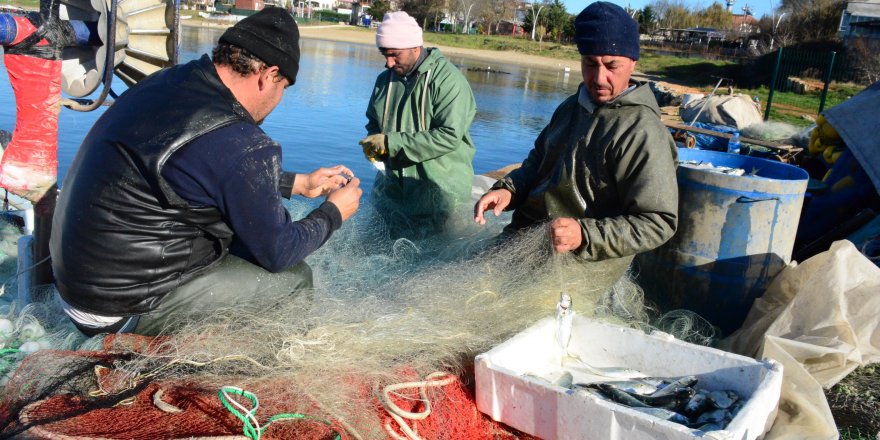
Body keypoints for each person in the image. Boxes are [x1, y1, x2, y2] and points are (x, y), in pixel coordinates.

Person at [50, 7, 362, 336]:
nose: (278, 98)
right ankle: (255, 370)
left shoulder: (168, 84)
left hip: (77, 287)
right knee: (294, 279)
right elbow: (279, 251)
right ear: (268, 75)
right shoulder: (241, 142)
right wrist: (333, 213)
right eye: (282, 87)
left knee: (243, 240)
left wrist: (297, 182)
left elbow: (198, 169)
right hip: (120, 310)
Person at [473, 2, 678, 277]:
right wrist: (508, 190)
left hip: (579, 266)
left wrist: (584, 234)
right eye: (590, 64)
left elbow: (658, 222)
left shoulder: (643, 131)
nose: (599, 78)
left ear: (633, 63)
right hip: (523, 244)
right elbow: (536, 164)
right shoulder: (571, 107)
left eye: (611, 65)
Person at [359, 11, 476, 236]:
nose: (388, 62)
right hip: (392, 192)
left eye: (394, 54)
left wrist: (390, 142)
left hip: (437, 194)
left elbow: (449, 136)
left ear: (415, 47)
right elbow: (373, 122)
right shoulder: (384, 81)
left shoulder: (449, 81)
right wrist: (374, 142)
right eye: (384, 54)